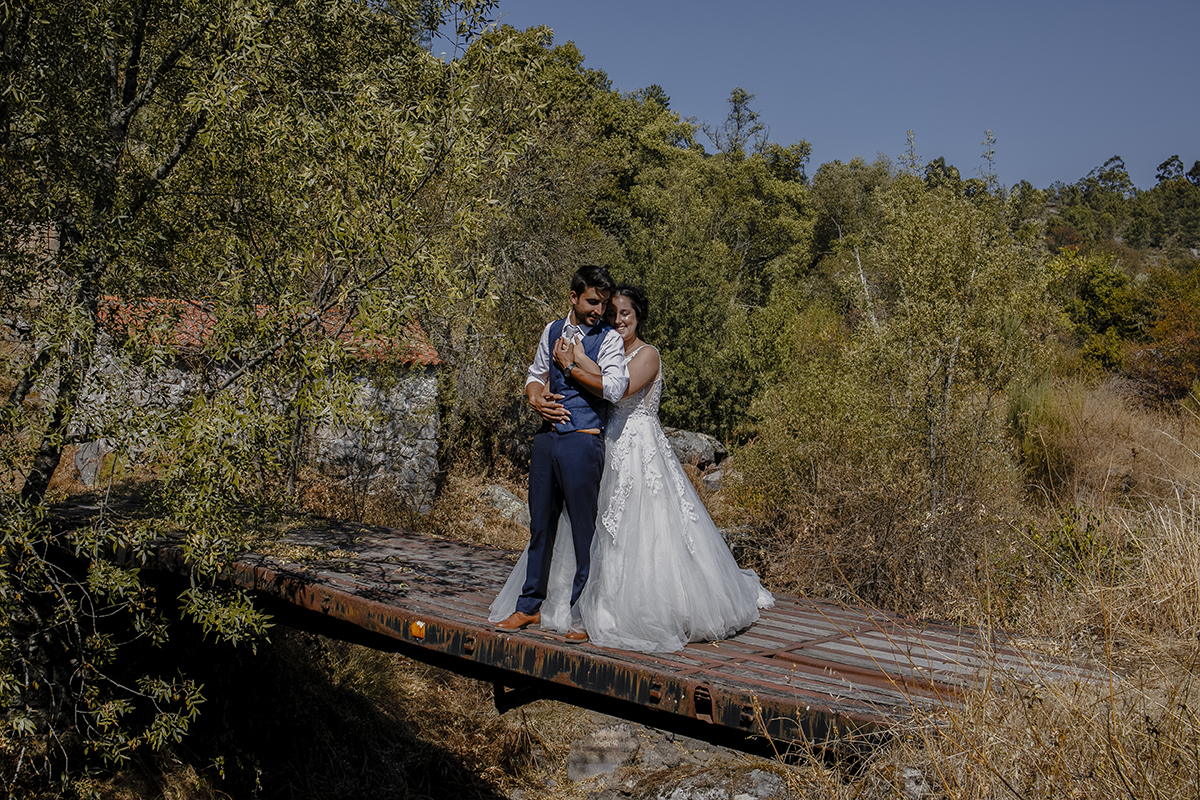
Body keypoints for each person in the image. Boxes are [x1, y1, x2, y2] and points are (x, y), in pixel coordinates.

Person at [490, 285, 773, 652]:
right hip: (601, 444)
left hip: (639, 447)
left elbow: (617, 391)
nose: (617, 320)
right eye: (611, 314)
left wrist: (572, 363)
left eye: (625, 314)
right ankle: (574, 602)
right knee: (590, 526)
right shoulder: (603, 349)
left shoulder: (647, 355)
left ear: (637, 317)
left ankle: (629, 607)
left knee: (642, 527)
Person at [492, 266, 629, 643]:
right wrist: (535, 396)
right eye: (591, 302)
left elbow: (615, 389)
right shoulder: (551, 330)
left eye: (603, 304)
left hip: (583, 442)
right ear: (573, 297)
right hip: (547, 440)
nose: (598, 311)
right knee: (540, 526)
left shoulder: (610, 340)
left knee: (585, 530)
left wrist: (571, 366)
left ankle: (583, 614)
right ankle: (528, 607)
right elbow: (536, 373)